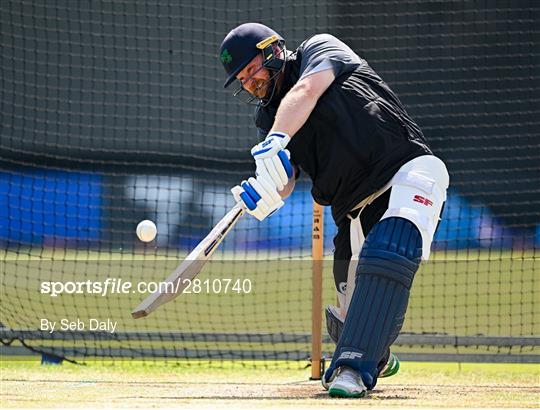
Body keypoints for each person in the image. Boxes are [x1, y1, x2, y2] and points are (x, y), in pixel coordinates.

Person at [219, 22, 449, 398]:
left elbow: (307, 91)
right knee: (350, 320)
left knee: (388, 251)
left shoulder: (320, 50)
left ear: (273, 51)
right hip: (351, 212)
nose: (249, 82)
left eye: (252, 69)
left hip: (405, 171)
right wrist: (264, 192)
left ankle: (353, 368)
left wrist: (279, 138)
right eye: (241, 78)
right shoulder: (267, 119)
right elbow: (287, 177)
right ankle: (376, 353)